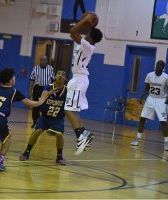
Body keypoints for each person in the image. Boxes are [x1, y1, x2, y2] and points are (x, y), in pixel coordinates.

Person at [64, 12, 103, 155]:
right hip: (79, 79)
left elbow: (72, 31)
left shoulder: (87, 46)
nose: (86, 33)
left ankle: (80, 137)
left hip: (79, 79)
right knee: (72, 110)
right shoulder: (86, 45)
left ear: (91, 37)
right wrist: (85, 21)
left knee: (68, 109)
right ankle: (83, 133)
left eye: (88, 32)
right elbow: (72, 34)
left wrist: (84, 20)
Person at [20, 70, 67, 165]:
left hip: (57, 119)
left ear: (65, 78)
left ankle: (59, 156)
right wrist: (50, 93)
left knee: (59, 134)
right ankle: (27, 152)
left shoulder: (67, 90)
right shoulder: (48, 86)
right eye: (58, 74)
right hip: (45, 117)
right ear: (55, 75)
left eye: (62, 74)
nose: (60, 76)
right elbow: (42, 97)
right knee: (36, 131)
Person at [131, 60, 168, 151]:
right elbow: (147, 88)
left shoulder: (167, 77)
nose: (159, 66)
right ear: (155, 65)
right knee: (142, 118)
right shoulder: (149, 75)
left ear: (163, 68)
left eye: (161, 65)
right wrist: (142, 96)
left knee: (163, 122)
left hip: (161, 100)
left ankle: (166, 143)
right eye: (158, 64)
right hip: (151, 98)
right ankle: (138, 139)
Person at [29, 55, 54, 127]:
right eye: (41, 60)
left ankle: (46, 123)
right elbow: (32, 80)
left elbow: (53, 81)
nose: (42, 62)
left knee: (46, 107)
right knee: (35, 106)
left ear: (47, 61)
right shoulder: (35, 68)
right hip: (37, 88)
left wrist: (52, 91)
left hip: (46, 89)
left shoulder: (50, 68)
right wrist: (30, 92)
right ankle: (35, 122)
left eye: (44, 60)